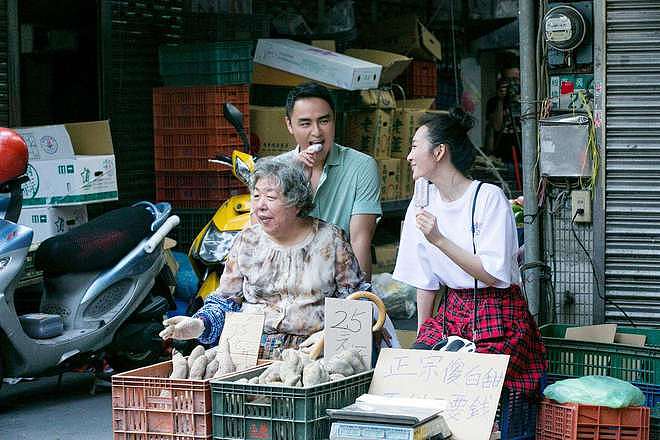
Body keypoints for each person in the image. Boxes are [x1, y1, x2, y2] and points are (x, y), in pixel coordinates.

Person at [392, 109, 546, 395]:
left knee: (470, 387)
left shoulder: (488, 198)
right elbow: (425, 281)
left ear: (439, 152)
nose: (409, 156)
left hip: (498, 313)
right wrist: (422, 343)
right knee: (418, 380)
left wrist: (439, 239)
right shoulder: (421, 203)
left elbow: (492, 275)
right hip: (452, 312)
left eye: (414, 147)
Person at [160, 157, 370, 358]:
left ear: (296, 204)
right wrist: (199, 324)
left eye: (270, 198)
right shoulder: (247, 240)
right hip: (249, 350)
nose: (260, 205)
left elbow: (357, 299)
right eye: (256, 196)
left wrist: (330, 336)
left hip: (312, 352)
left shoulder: (330, 240)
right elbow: (226, 300)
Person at [278, 82, 382, 280]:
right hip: (286, 277)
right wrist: (294, 177)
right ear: (289, 125)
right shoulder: (277, 169)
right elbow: (262, 233)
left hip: (339, 278)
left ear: (334, 120)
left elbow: (360, 240)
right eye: (305, 123)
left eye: (324, 121)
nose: (316, 132)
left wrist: (358, 298)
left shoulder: (362, 166)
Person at [485, 60, 521, 166]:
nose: (512, 84)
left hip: (524, 155)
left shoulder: (528, 100)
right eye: (508, 80)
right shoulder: (494, 102)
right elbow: (496, 126)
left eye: (515, 79)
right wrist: (500, 100)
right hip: (502, 157)